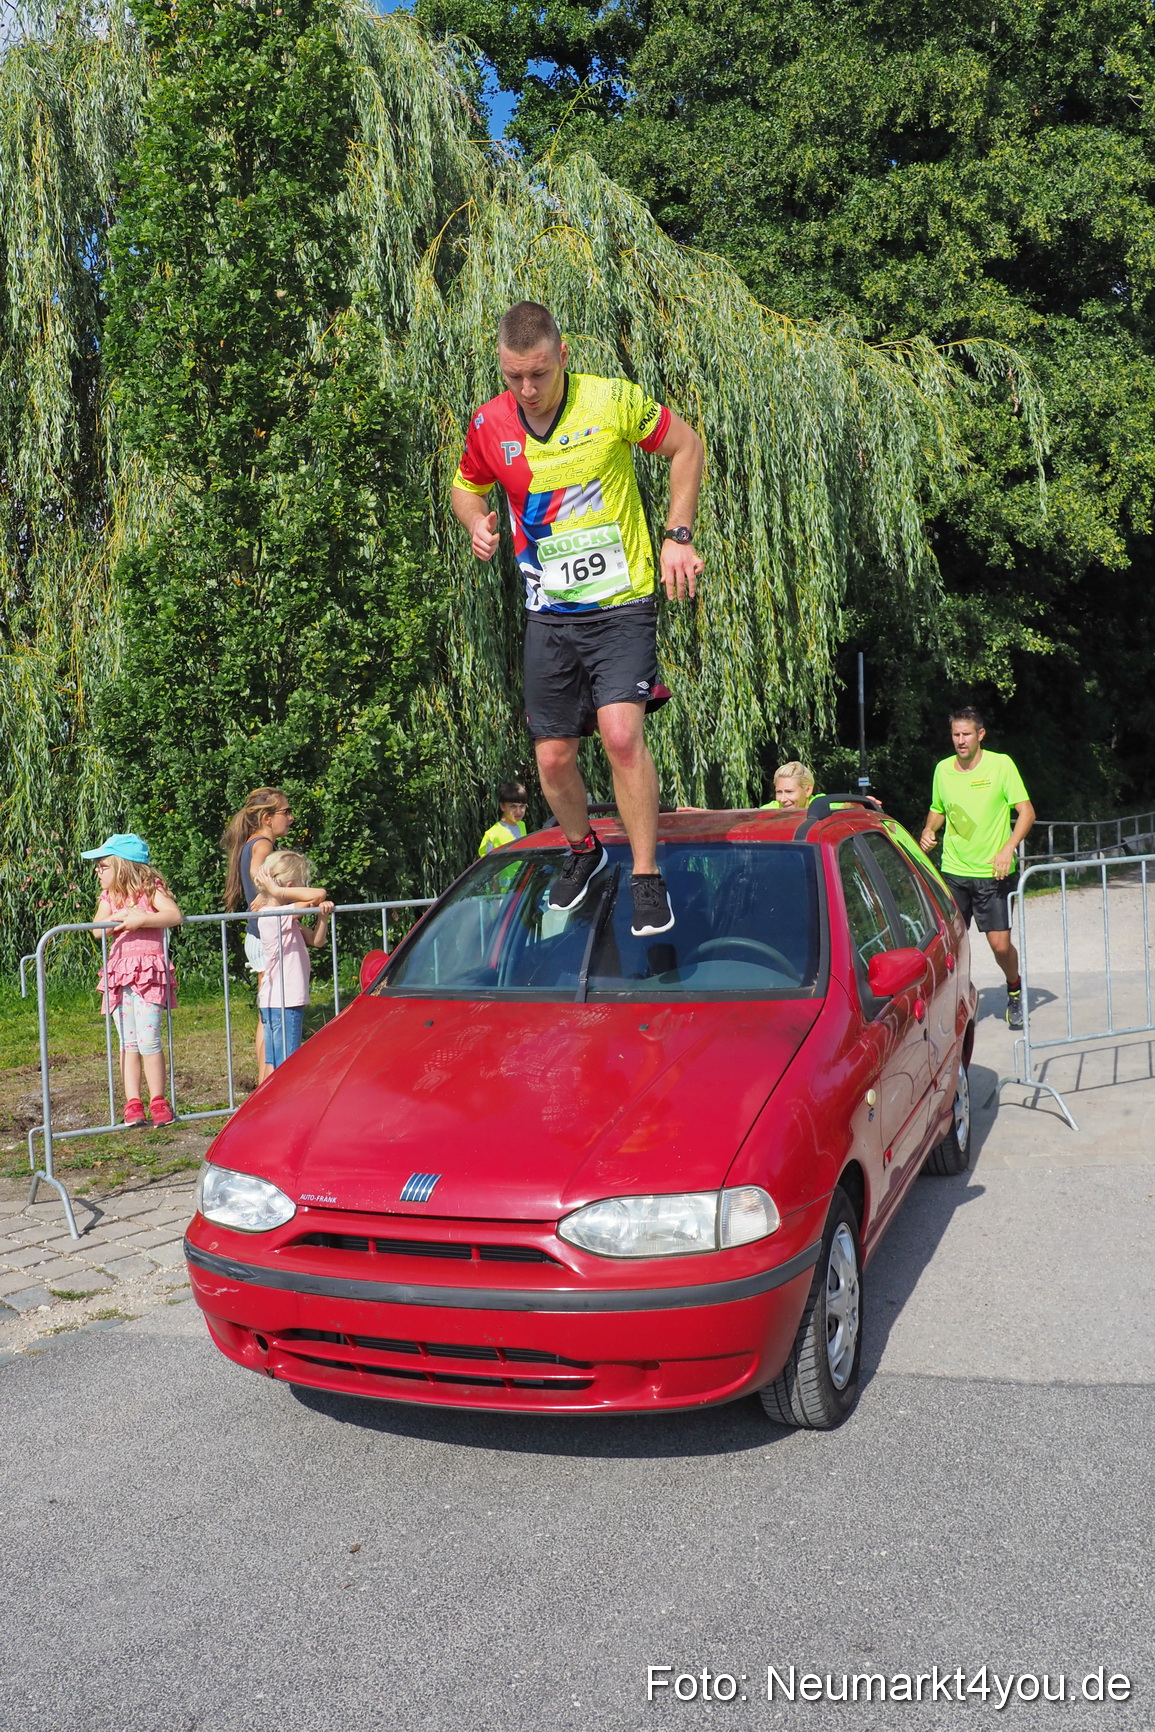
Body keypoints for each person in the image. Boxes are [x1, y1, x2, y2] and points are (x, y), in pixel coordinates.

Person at [450, 301, 704, 938]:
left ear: (563, 356)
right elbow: (465, 485)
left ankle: (646, 876)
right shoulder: (489, 424)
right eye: (514, 377)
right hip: (548, 612)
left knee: (621, 735)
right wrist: (475, 521)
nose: (528, 390)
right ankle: (583, 850)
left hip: (620, 601)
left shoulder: (612, 401)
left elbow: (685, 445)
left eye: (539, 374)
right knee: (554, 757)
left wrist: (677, 534)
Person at [920, 704, 1035, 1028]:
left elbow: (1026, 812)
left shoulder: (1001, 765)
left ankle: (1014, 988)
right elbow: (938, 808)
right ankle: (951, 1007)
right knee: (949, 945)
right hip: (954, 872)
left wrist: (1007, 849)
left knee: (999, 945)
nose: (960, 740)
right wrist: (929, 830)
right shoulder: (943, 769)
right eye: (955, 734)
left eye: (966, 734)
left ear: (980, 735)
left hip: (992, 873)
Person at [222, 788, 326, 1084]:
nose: (291, 818)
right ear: (268, 817)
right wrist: (272, 896)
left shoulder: (252, 841)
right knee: (270, 1014)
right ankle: (268, 1083)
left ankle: (266, 1081)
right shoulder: (264, 844)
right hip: (267, 932)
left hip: (262, 931)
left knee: (268, 1013)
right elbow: (260, 874)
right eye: (286, 812)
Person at [81, 832, 183, 1128]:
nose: (97, 872)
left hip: (149, 973)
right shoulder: (109, 897)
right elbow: (97, 930)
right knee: (128, 1042)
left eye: (103, 866)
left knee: (149, 1039)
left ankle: (159, 1100)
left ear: (122, 866)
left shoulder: (151, 888)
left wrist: (140, 918)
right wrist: (115, 918)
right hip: (118, 974)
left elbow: (172, 915)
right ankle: (133, 1102)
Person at [252, 851, 333, 1073]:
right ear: (289, 885)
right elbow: (319, 894)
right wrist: (279, 891)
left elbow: (317, 941)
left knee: (276, 1060)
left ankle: (269, 1103)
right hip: (283, 1001)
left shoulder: (285, 918)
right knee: (286, 1064)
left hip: (281, 1000)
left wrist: (322, 917)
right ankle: (279, 1104)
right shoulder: (274, 915)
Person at [479, 780, 529, 856]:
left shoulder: (521, 825)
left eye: (522, 806)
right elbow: (488, 866)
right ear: (502, 806)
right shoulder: (492, 836)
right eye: (513, 806)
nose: (518, 812)